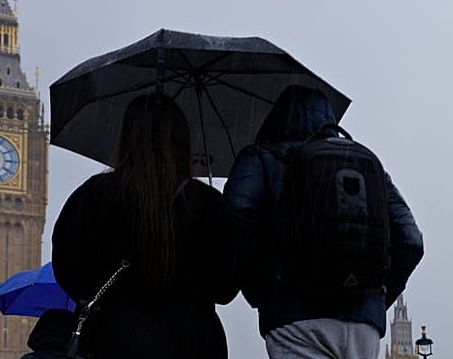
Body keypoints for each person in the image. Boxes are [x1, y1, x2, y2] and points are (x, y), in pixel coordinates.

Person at [222, 85, 424, 359]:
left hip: (296, 315)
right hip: (363, 325)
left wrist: (262, 289)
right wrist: (374, 299)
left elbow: (237, 212)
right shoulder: (365, 163)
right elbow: (411, 238)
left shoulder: (261, 157)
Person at [52, 94, 237, 359]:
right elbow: (226, 288)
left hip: (114, 339)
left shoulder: (93, 195)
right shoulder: (206, 203)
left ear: (126, 137)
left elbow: (68, 271)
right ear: (182, 141)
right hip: (193, 342)